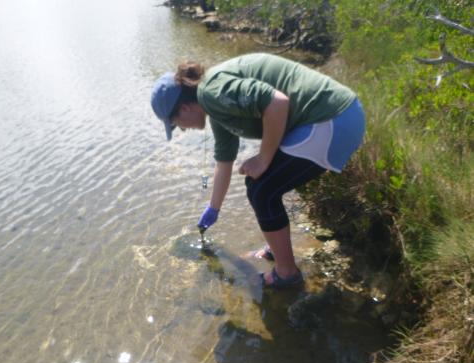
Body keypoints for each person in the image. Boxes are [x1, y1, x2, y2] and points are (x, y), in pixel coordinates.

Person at [151, 53, 365, 288]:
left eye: (176, 124)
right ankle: (277, 250)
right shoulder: (217, 110)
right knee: (263, 185)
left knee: (262, 188)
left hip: (333, 119)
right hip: (335, 118)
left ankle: (286, 274)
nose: (182, 130)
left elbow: (277, 103)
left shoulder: (211, 92)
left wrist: (264, 158)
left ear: (183, 108)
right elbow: (224, 163)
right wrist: (213, 209)